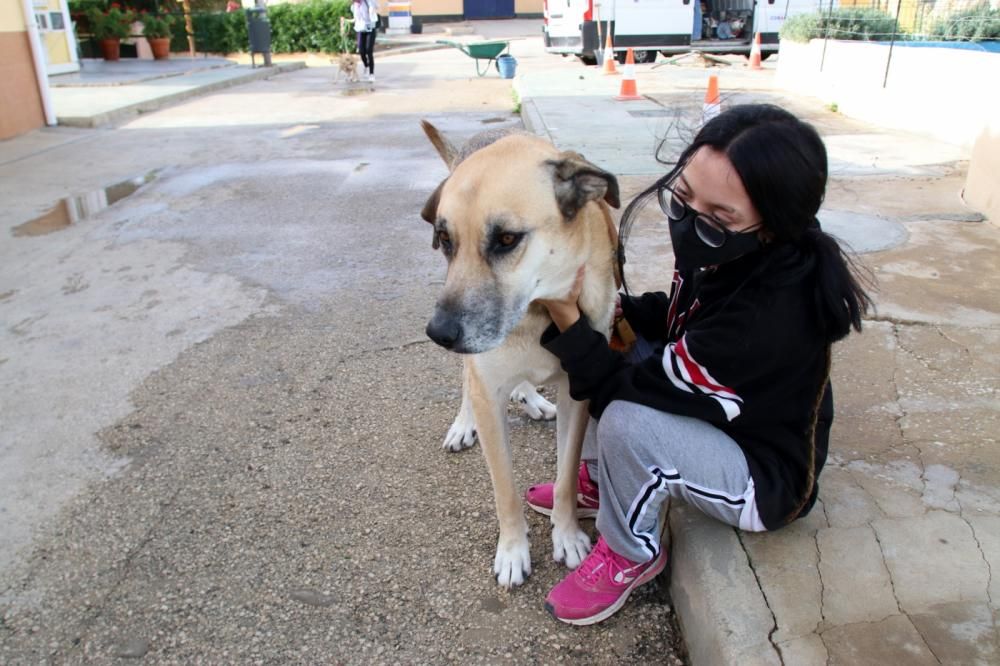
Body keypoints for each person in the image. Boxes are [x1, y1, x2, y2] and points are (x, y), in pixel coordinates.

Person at [525, 104, 873, 626]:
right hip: (724, 414)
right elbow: (674, 316)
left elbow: (615, 388)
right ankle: (600, 483)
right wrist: (611, 310)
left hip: (762, 477)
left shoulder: (762, 320)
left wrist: (567, 318)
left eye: (718, 217)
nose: (689, 221)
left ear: (771, 228)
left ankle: (630, 552)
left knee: (626, 416)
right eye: (681, 196)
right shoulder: (728, 253)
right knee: (615, 334)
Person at [351, 0, 379, 82]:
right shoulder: (354, 6)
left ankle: (371, 73)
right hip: (360, 29)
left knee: (369, 50)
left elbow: (376, 6)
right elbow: (355, 18)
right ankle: (366, 65)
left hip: (370, 28)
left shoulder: (368, 2)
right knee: (361, 50)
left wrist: (372, 8)